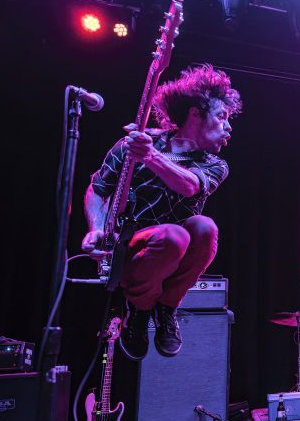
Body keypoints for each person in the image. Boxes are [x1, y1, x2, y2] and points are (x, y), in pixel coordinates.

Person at [82, 64, 242, 360]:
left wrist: (150, 156)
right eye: (222, 116)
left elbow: (190, 185)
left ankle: (166, 308)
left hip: (173, 253)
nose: (228, 127)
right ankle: (139, 311)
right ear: (195, 113)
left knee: (204, 228)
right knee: (173, 235)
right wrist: (96, 228)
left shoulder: (215, 164)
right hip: (130, 249)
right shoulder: (135, 144)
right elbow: (98, 189)